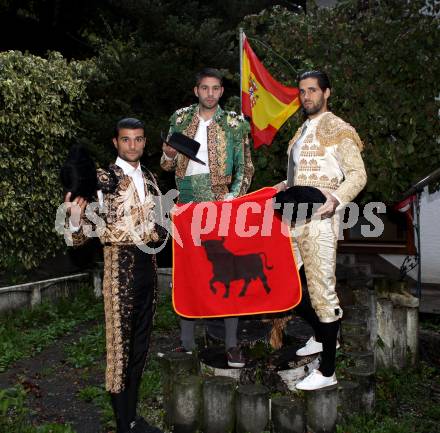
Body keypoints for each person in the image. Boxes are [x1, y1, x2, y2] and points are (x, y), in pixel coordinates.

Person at [64, 118, 163, 433]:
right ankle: (124, 424)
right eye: (126, 140)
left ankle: (132, 418)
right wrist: (77, 219)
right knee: (120, 351)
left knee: (140, 347)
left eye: (138, 139)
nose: (132, 145)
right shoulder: (100, 179)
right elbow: (79, 240)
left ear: (145, 142)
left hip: (148, 266)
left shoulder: (149, 176)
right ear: (115, 142)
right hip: (119, 267)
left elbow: (159, 225)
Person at [274, 70, 367, 390]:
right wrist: (286, 185)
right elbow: (302, 176)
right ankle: (321, 336)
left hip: (321, 221)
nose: (306, 97)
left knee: (323, 293)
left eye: (312, 90)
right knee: (290, 289)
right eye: (302, 91)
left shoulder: (338, 128)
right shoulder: (300, 132)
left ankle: (328, 372)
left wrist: (337, 200)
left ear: (326, 93)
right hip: (294, 218)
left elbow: (357, 175)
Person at [161, 67, 254, 367]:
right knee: (186, 275)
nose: (210, 93)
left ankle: (231, 344)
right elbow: (166, 164)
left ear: (221, 92)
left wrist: (232, 198)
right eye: (205, 88)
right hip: (186, 204)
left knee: (226, 271)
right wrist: (169, 155)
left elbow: (246, 167)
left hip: (219, 204)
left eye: (216, 88)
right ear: (196, 90)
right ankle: (187, 344)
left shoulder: (234, 123)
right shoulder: (179, 118)